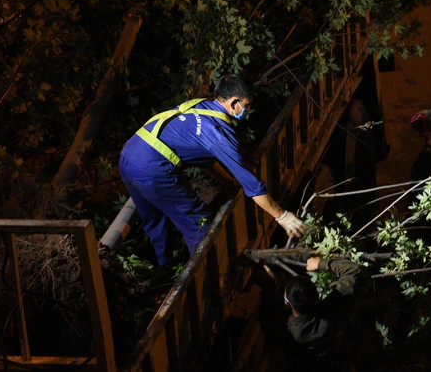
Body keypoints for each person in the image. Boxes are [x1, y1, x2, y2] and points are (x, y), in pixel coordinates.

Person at [119, 74, 307, 269]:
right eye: (247, 105)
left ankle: (163, 268)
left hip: (128, 155)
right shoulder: (218, 133)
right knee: (199, 223)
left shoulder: (201, 106)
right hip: (151, 168)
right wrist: (282, 216)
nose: (248, 110)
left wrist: (228, 182)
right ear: (234, 103)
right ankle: (202, 276)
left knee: (154, 219)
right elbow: (252, 186)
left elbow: (206, 159)